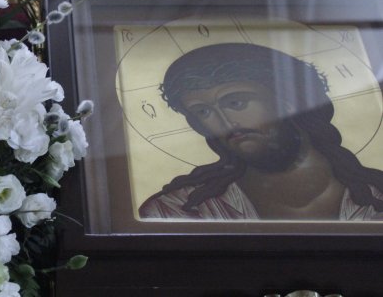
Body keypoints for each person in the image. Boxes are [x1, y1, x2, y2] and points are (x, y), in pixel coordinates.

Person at [139, 43, 383, 220]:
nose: (224, 122)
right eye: (203, 112)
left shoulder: (376, 196)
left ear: (289, 101)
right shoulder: (178, 210)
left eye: (236, 103)